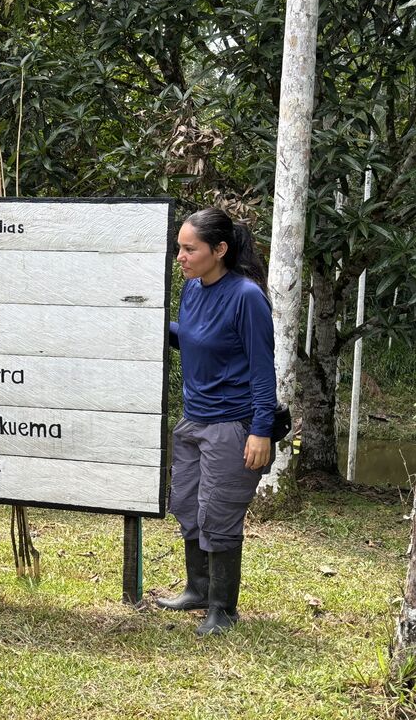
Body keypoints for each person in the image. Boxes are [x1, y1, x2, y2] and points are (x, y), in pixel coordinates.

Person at [155, 207, 276, 635]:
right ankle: (198, 590)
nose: (180, 258)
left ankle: (223, 610)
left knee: (218, 514)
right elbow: (192, 339)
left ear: (219, 250)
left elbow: (264, 370)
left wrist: (261, 430)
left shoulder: (246, 297)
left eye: (190, 249)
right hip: (193, 421)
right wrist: (148, 324)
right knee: (187, 504)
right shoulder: (193, 290)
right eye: (179, 249)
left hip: (233, 426)